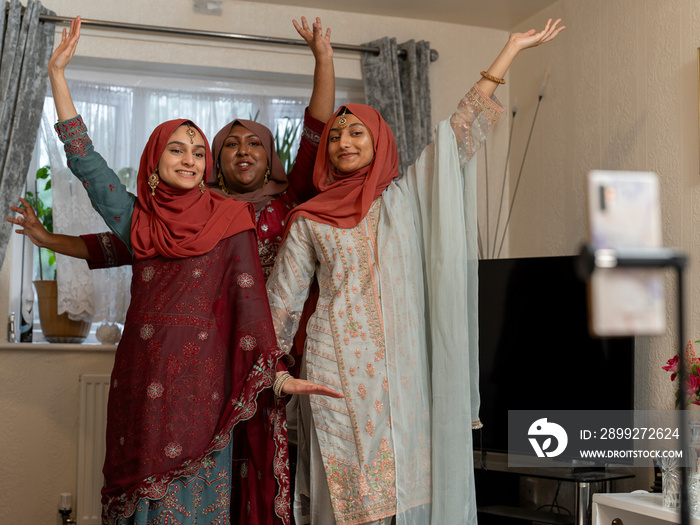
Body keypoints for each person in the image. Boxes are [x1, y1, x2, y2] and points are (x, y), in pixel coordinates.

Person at [42, 16, 342, 525]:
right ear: (153, 162)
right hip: (140, 373)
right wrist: (58, 78)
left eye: (198, 151)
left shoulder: (232, 220)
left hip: (207, 381)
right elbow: (88, 166)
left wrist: (276, 374)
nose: (190, 158)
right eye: (176, 149)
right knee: (136, 493)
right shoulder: (138, 220)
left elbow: (249, 302)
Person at [264, 19, 564, 525]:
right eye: (335, 136)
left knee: (409, 496)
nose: (343, 142)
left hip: (405, 371)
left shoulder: (405, 200)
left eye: (356, 131)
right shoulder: (310, 219)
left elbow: (457, 138)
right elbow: (282, 302)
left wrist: (507, 52)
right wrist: (273, 375)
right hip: (335, 370)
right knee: (350, 500)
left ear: (379, 140)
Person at [8, 17, 334, 281]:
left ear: (270, 160)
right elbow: (115, 239)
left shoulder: (289, 201)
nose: (243, 151)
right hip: (203, 350)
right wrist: (46, 238)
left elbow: (316, 131)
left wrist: (323, 59)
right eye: (230, 145)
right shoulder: (175, 219)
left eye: (255, 144)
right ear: (215, 163)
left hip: (282, 345)